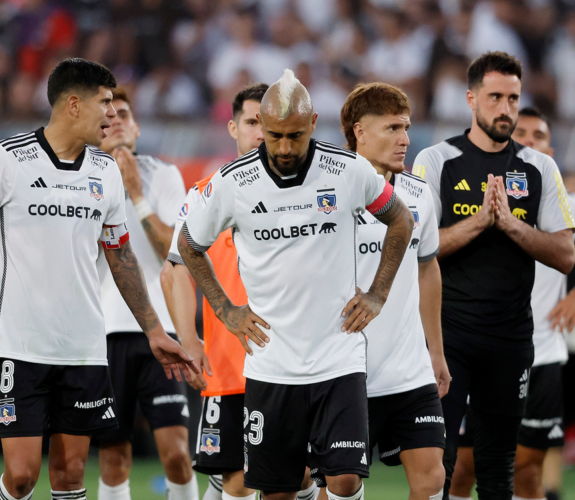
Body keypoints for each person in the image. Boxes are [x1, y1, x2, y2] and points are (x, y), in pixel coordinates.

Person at [0, 58, 197, 500]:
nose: (112, 114)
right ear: (73, 105)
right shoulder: (7, 158)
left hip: (85, 350)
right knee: (24, 474)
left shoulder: (104, 172)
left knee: (70, 476)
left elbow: (120, 254)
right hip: (22, 345)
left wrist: (154, 329)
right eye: (105, 103)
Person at [178, 69, 415, 500]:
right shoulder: (232, 184)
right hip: (271, 364)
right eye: (273, 136)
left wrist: (378, 292)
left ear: (313, 124)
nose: (284, 148)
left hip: (337, 357)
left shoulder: (348, 170)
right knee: (277, 491)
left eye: (294, 136)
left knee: (344, 480)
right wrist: (225, 309)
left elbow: (401, 219)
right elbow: (189, 245)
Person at [411, 52, 575, 500]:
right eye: (495, 97)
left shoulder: (539, 169)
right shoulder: (435, 160)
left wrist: (511, 224)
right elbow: (418, 249)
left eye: (514, 99)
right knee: (436, 471)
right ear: (471, 99)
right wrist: (480, 222)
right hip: (448, 340)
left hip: (511, 340)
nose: (505, 109)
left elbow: (565, 254)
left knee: (499, 471)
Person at [162, 84, 284, 500]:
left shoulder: (303, 193)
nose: (261, 132)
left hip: (294, 360)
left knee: (300, 475)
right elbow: (174, 271)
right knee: (237, 479)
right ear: (233, 127)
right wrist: (189, 339)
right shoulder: (203, 194)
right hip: (231, 366)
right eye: (252, 122)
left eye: (269, 124)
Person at [448, 108, 574, 500]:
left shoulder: (565, 203)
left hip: (544, 351)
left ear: (549, 150)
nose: (531, 141)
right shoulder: (467, 195)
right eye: (523, 133)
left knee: (526, 470)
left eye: (539, 135)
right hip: (480, 348)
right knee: (461, 469)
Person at [339, 82, 449, 500]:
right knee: (342, 483)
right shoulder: (331, 196)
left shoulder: (419, 195)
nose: (405, 139)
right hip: (344, 371)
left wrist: (435, 351)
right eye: (392, 128)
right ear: (359, 132)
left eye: (406, 127)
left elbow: (428, 268)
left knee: (432, 478)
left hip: (409, 372)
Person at [93, 88, 195, 500]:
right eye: (108, 115)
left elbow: (177, 250)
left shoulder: (165, 175)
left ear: (136, 126)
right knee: (114, 455)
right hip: (103, 331)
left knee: (176, 453)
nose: (116, 119)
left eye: (124, 113)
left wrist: (136, 193)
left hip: (162, 329)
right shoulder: (84, 181)